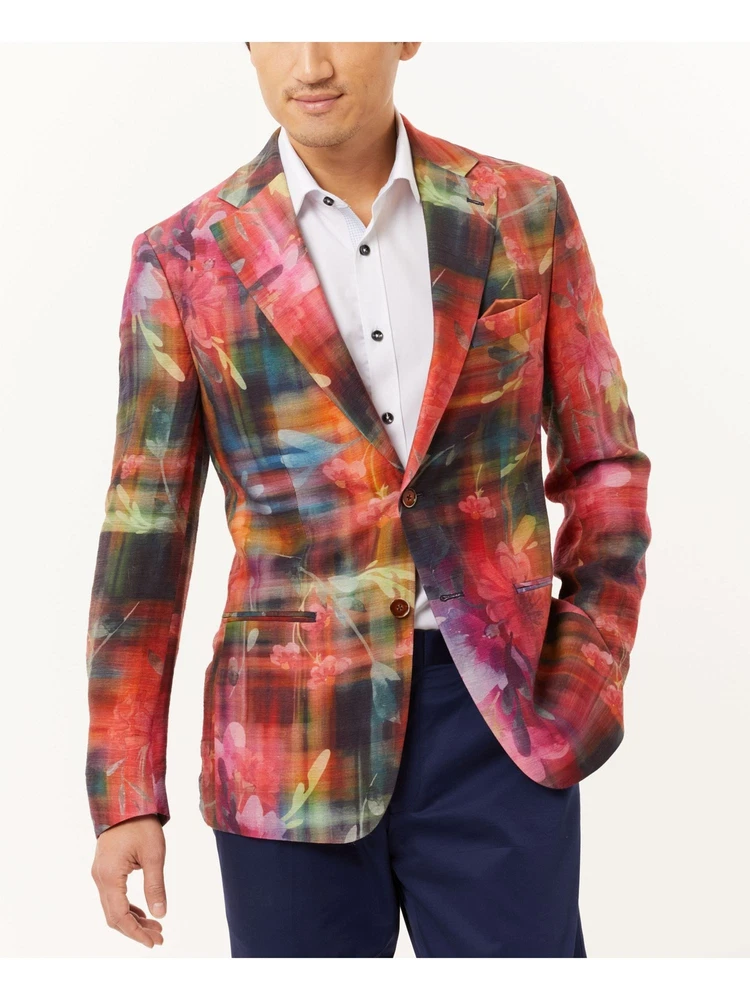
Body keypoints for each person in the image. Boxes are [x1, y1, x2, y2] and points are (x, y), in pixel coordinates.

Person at [86, 41, 652, 958]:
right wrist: (124, 792)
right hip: (284, 743)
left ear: (405, 30)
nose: (310, 63)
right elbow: (143, 537)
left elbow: (605, 465)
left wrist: (585, 675)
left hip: (500, 723)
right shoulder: (184, 257)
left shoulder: (521, 210)